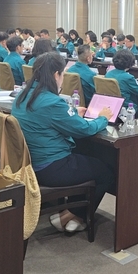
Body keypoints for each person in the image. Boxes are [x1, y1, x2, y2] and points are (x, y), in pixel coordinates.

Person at [12, 52, 115, 233]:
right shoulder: (52, 102)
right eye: (63, 75)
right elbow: (85, 130)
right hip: (51, 167)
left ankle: (71, 215)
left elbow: (50, 120)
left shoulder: (23, 95)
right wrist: (103, 118)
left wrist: (72, 114)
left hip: (30, 164)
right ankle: (74, 216)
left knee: (84, 159)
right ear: (56, 75)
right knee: (105, 171)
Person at [106, 49, 138, 118]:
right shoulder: (128, 78)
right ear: (130, 62)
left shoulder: (108, 74)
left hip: (112, 107)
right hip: (127, 109)